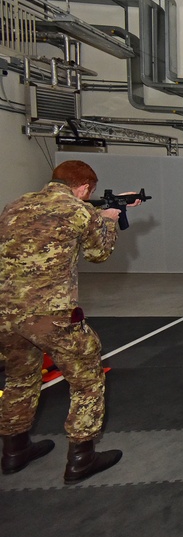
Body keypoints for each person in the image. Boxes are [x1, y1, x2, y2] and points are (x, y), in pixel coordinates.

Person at [0, 160, 137, 484]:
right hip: (52, 316)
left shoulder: (15, 206)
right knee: (87, 380)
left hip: (6, 314)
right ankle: (81, 458)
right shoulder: (79, 210)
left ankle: (14, 451)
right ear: (85, 188)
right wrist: (109, 220)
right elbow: (98, 252)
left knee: (20, 379)